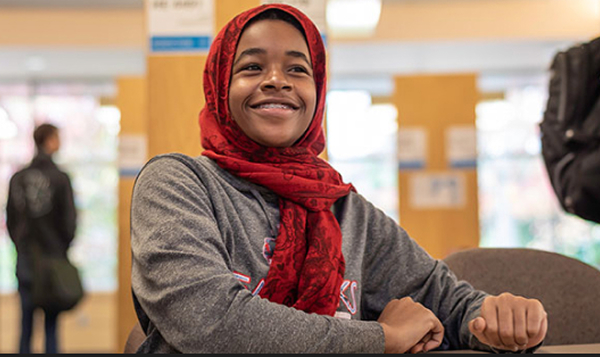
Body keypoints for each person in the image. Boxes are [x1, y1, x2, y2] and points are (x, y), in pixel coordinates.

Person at [129, 4, 547, 353]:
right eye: (252, 66)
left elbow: (448, 304)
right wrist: (380, 338)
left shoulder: (345, 209)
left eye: (297, 69)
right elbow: (207, 321)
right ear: (220, 86)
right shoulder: (178, 182)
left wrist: (499, 318)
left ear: (318, 91)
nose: (276, 80)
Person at [6, 123, 77, 354]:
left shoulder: (18, 178)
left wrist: (21, 246)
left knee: (25, 326)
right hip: (53, 261)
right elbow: (69, 222)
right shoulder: (60, 178)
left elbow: (11, 220)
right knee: (51, 327)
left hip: (26, 259)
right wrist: (61, 248)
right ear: (49, 140)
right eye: (57, 138)